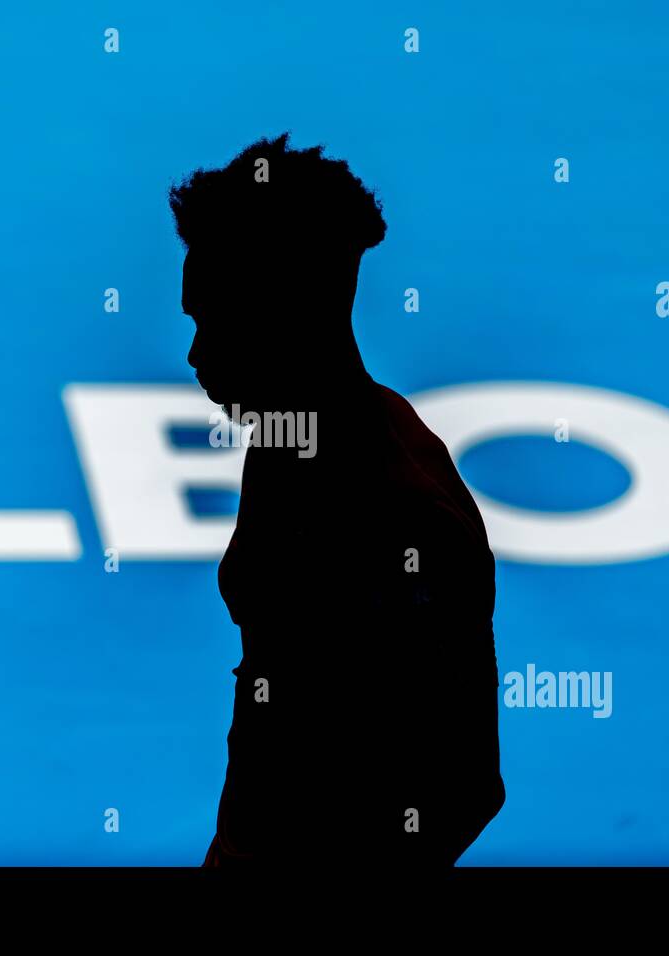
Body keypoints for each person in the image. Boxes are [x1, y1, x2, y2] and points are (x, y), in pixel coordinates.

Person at [170, 133, 505, 867]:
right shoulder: (288, 437)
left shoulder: (396, 513)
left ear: (286, 312)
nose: (195, 355)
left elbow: (465, 784)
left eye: (214, 322)